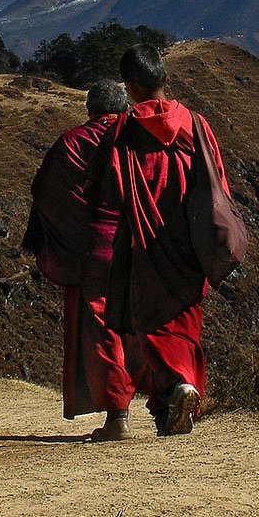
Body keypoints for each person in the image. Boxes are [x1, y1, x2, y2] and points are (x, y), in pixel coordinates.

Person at [102, 43, 230, 436]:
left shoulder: (124, 130)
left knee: (151, 324)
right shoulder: (195, 123)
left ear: (131, 88)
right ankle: (169, 410)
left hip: (147, 241)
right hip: (190, 243)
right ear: (164, 79)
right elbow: (216, 180)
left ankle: (178, 386)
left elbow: (112, 190)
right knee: (184, 322)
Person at [24, 79, 136, 442]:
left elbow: (44, 191)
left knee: (103, 331)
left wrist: (68, 234)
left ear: (89, 109)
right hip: (140, 250)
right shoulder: (135, 139)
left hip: (94, 255)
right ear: (122, 108)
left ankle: (118, 417)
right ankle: (170, 403)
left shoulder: (72, 142)